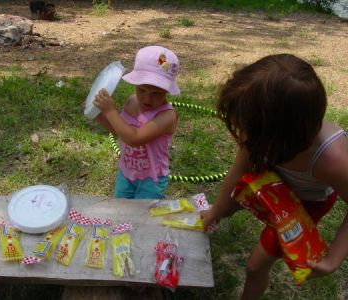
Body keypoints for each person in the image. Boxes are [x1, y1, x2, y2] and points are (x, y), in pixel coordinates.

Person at [200, 54, 348, 299]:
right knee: (231, 202)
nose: (240, 135)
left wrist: (333, 258)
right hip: (273, 180)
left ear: (278, 135)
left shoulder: (332, 160)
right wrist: (217, 210)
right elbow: (240, 170)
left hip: (305, 202)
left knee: (255, 266)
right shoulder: (263, 134)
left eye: (247, 130)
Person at [91, 45, 180, 199]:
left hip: (151, 179)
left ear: (167, 91)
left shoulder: (167, 116)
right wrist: (97, 115)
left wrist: (111, 111)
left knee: (142, 217)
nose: (147, 98)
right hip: (126, 173)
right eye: (142, 90)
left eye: (156, 94)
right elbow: (118, 131)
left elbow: (134, 139)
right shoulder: (132, 102)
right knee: (121, 210)